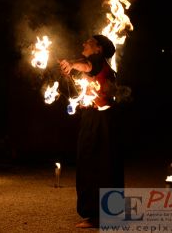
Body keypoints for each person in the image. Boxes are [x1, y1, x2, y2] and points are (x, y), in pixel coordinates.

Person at [59, 35, 124, 228]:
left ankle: (96, 216)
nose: (83, 43)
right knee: (104, 163)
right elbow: (87, 74)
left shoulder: (96, 62)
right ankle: (109, 213)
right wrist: (70, 69)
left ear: (99, 49)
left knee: (93, 162)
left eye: (89, 41)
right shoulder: (98, 65)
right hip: (100, 119)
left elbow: (89, 66)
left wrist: (72, 63)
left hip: (99, 121)